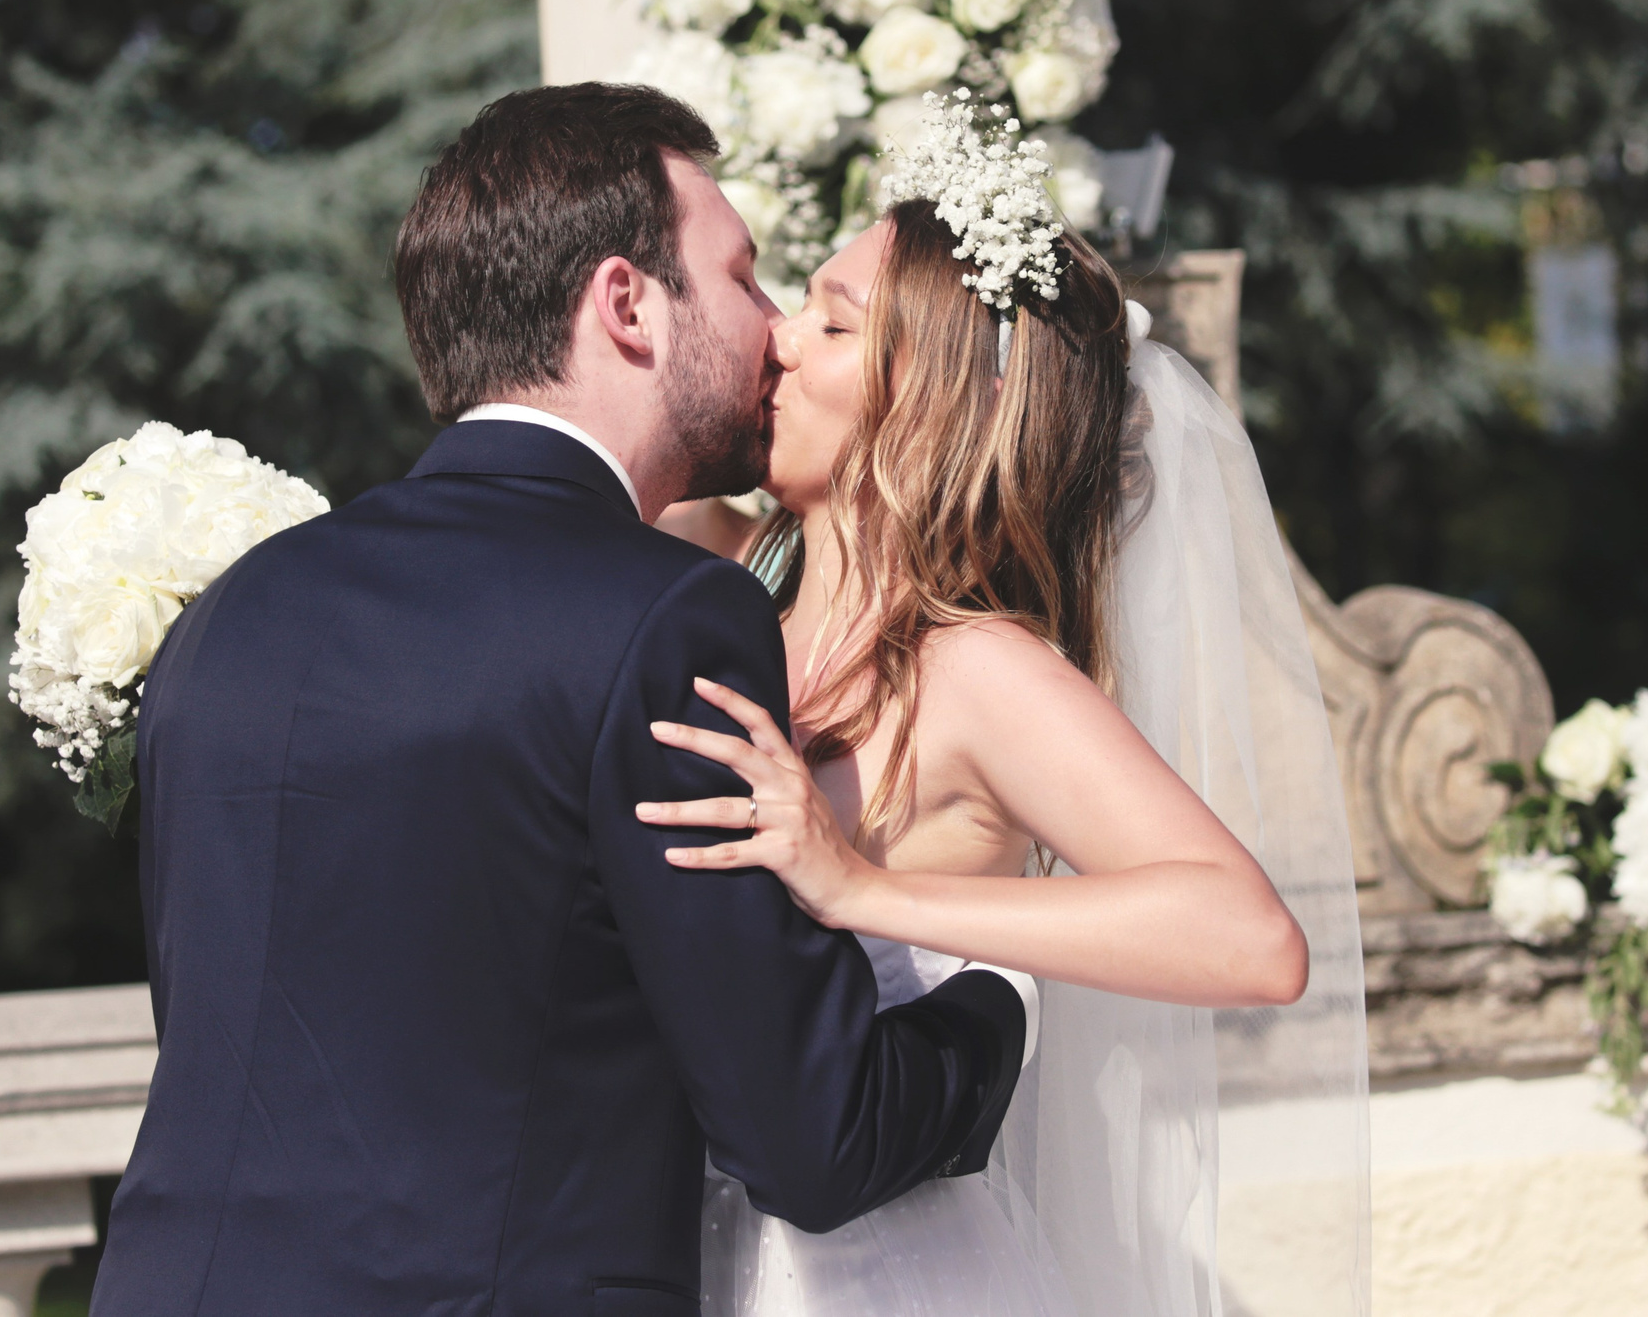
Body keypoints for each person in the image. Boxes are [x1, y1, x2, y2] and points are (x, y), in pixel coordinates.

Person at [88, 84, 1035, 1317]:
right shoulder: (665, 617)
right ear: (628, 304)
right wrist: (991, 1008)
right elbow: (812, 1137)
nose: (774, 331)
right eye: (743, 278)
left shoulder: (231, 613)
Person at [641, 98, 1369, 1317]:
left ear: (925, 395)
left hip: (873, 1276)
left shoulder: (974, 668)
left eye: (827, 319)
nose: (774, 343)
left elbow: (1250, 940)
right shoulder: (730, 607)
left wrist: (863, 888)